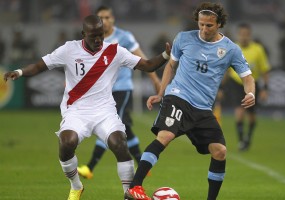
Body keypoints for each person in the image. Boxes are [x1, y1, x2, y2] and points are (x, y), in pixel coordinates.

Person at [4, 15, 170, 200]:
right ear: (84, 34)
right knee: (66, 142)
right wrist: (19, 72)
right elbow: (39, 66)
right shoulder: (69, 50)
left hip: (104, 111)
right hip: (76, 110)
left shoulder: (115, 52)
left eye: (101, 35)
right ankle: (76, 186)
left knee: (120, 143)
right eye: (94, 36)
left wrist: (165, 55)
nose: (98, 39)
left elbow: (147, 66)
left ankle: (127, 194)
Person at [124, 2, 256, 200]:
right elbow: (170, 66)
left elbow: (247, 77)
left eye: (209, 25)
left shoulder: (230, 49)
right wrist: (161, 93)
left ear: (219, 24)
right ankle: (135, 187)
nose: (203, 29)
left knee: (219, 151)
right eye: (201, 24)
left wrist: (251, 93)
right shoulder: (184, 38)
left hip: (203, 108)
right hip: (178, 97)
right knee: (165, 136)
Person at [77, 5, 161, 179]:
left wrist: (155, 79)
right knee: (126, 129)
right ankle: (143, 163)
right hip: (102, 91)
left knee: (107, 126)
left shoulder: (124, 37)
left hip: (122, 89)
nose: (105, 21)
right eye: (102, 18)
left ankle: (90, 167)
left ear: (113, 19)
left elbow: (143, 60)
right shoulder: (92, 40)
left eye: (108, 17)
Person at [228, 23, 270, 151]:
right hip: (236, 83)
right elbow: (225, 68)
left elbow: (264, 70)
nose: (244, 37)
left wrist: (265, 88)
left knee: (252, 117)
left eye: (246, 34)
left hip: (252, 83)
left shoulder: (258, 49)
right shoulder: (233, 48)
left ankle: (248, 138)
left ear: (250, 35)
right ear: (238, 35)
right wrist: (220, 87)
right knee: (239, 112)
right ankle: (241, 140)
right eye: (241, 34)